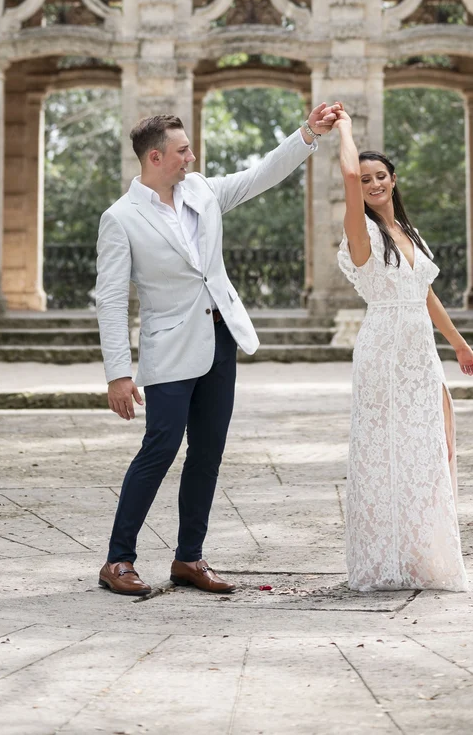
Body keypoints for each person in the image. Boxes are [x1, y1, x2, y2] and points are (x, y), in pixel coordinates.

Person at [95, 104, 339, 596]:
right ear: (156, 157)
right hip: (168, 349)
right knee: (160, 448)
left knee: (207, 453)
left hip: (220, 339)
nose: (192, 156)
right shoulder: (120, 218)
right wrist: (118, 373)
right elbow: (111, 297)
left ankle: (189, 558)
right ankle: (118, 560)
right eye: (183, 150)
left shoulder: (203, 191)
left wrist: (307, 133)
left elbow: (260, 174)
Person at [335, 107, 473, 592]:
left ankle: (421, 557)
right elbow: (350, 172)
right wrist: (345, 128)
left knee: (424, 449)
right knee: (382, 451)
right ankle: (381, 561)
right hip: (383, 349)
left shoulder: (409, 233)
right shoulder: (362, 232)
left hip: (419, 350)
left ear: (394, 180)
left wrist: (458, 345)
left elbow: (426, 294)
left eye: (381, 176)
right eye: (366, 179)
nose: (372, 183)